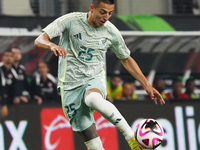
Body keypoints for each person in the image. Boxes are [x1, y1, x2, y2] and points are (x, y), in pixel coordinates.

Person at [34, 0, 165, 149]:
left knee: (92, 99)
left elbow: (126, 59)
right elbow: (39, 40)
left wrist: (146, 85)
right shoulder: (70, 21)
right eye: (102, 12)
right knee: (94, 146)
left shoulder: (111, 31)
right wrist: (51, 45)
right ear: (91, 8)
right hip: (69, 86)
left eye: (110, 13)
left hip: (94, 78)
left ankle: (130, 137)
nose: (106, 17)